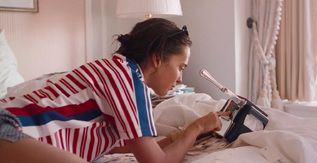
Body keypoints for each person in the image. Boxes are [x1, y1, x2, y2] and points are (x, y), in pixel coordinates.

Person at [0, 18, 229, 163]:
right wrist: (196, 126)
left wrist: (182, 136)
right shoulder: (128, 79)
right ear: (157, 58)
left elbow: (129, 147)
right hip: (9, 126)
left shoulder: (116, 70)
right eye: (180, 67)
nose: (180, 79)